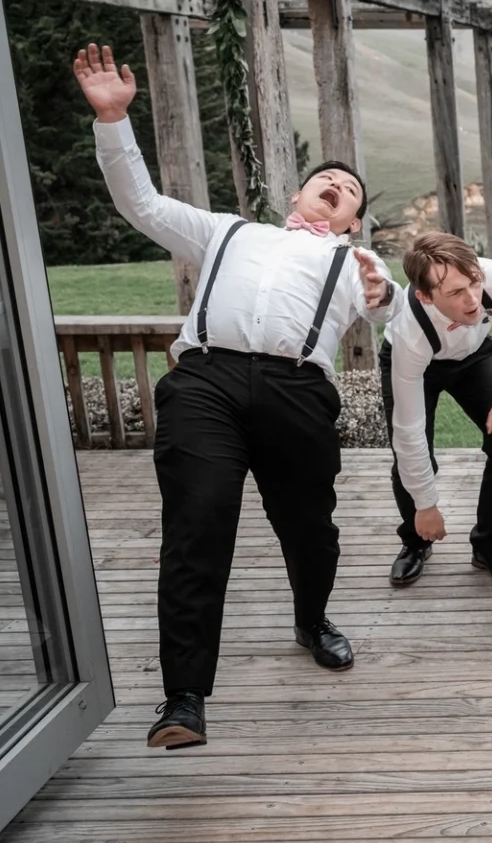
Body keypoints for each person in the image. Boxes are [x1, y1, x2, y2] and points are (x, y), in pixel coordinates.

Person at [74, 43, 403, 750]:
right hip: (207, 384)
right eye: (328, 178)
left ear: (352, 220)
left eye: (350, 190)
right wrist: (111, 122)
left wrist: (384, 294)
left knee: (309, 529)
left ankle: (311, 618)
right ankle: (183, 696)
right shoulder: (229, 232)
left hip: (297, 393)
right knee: (198, 521)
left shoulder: (355, 260)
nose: (338, 185)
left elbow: (391, 311)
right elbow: (141, 203)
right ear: (299, 196)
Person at [381, 232, 492, 588]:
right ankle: (416, 541)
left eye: (474, 283)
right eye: (456, 293)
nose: (473, 299)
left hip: (473, 357)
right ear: (425, 296)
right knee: (412, 454)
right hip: (418, 365)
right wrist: (427, 504)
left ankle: (489, 544)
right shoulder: (408, 333)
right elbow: (409, 431)